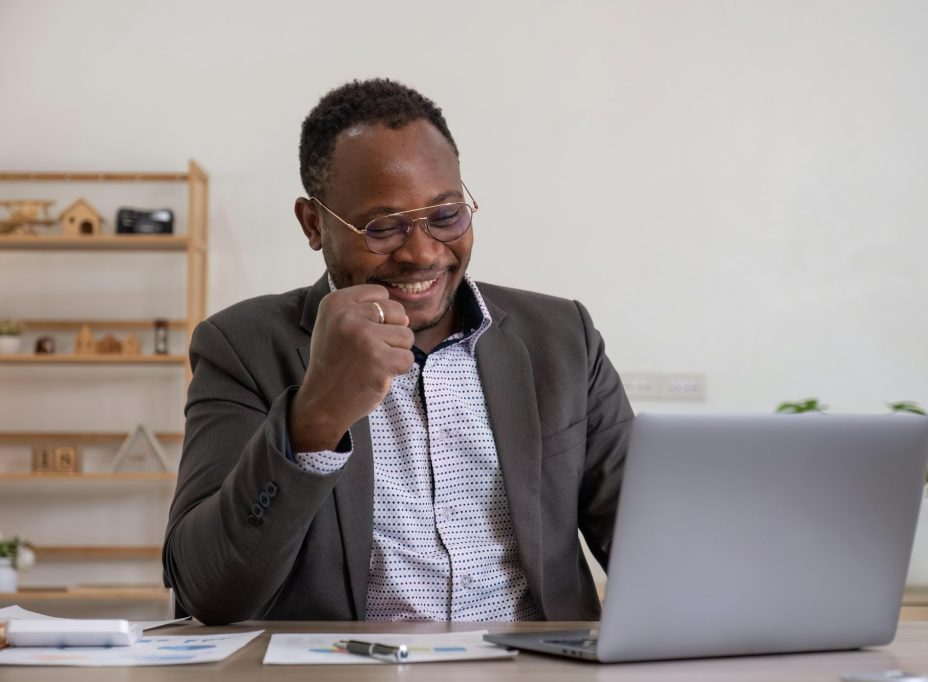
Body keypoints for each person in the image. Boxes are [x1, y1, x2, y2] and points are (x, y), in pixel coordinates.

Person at [163, 78, 633, 624]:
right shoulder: (243, 347)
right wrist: (315, 416)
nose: (423, 252)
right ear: (314, 224)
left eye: (447, 214)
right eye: (381, 227)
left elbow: (648, 541)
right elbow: (207, 591)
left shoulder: (561, 336)